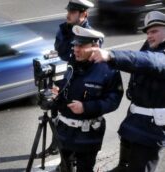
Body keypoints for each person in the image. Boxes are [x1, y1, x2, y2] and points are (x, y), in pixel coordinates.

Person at [87, 11, 165, 172]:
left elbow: (148, 61)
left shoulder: (160, 56)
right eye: (148, 32)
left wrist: (111, 55)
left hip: (150, 131)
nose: (150, 35)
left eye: (154, 31)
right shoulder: (151, 45)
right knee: (123, 166)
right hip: (134, 123)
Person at [54, 25, 124, 172]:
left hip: (87, 136)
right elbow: (67, 88)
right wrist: (57, 92)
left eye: (81, 45)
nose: (75, 49)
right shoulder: (73, 63)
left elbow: (114, 100)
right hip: (65, 132)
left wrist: (86, 108)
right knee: (65, 167)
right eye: (74, 45)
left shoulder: (108, 69)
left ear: (95, 46)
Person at [37, 0, 97, 158]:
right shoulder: (64, 29)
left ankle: (70, 157)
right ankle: (56, 144)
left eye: (73, 12)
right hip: (62, 77)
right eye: (68, 11)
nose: (68, 15)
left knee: (72, 119)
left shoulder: (90, 36)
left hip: (78, 82)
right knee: (55, 112)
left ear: (84, 14)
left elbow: (83, 61)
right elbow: (60, 52)